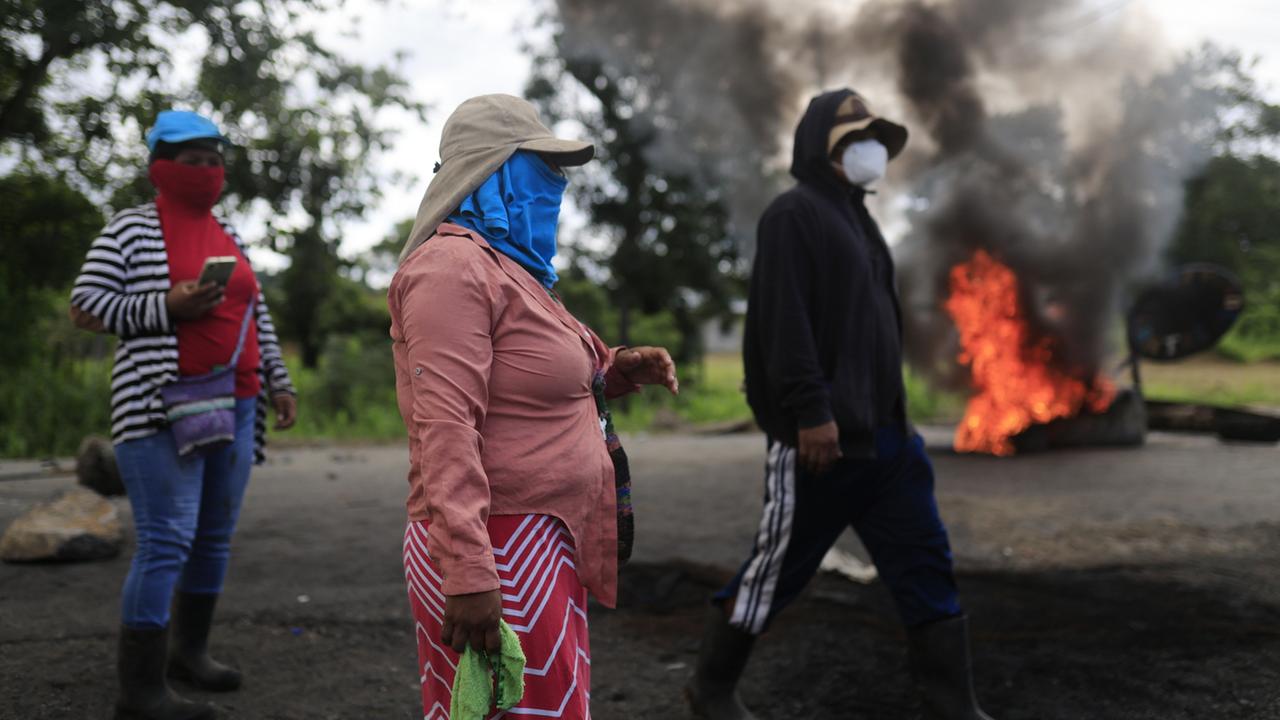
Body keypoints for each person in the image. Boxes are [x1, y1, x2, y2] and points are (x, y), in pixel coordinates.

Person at [686, 90, 996, 720]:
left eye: (874, 136)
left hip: (890, 447)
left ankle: (954, 705)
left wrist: (900, 431)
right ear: (819, 148)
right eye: (854, 137)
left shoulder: (860, 220)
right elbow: (785, 326)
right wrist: (810, 413)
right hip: (822, 445)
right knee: (775, 573)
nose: (870, 149)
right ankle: (711, 689)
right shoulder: (792, 216)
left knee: (925, 564)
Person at [389, 94, 679, 719]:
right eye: (542, 167)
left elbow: (527, 375)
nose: (557, 184)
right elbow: (447, 425)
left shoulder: (512, 270)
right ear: (492, 172)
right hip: (495, 543)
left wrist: (615, 367)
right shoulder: (450, 269)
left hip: (536, 540)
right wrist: (468, 570)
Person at [69, 110, 298, 720]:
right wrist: (165, 305)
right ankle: (138, 693)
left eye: (212, 160)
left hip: (239, 402)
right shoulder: (130, 230)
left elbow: (259, 313)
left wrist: (280, 380)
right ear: (159, 167)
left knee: (213, 539)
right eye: (188, 160)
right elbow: (86, 306)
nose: (204, 171)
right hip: (159, 407)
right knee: (166, 540)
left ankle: (186, 654)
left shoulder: (229, 233)